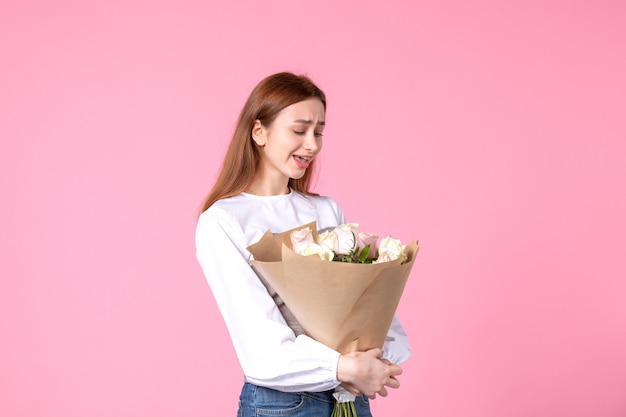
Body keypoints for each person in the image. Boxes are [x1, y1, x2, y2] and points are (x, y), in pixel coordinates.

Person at [195, 72, 411, 416]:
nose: (312, 144)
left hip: (348, 397)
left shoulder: (326, 210)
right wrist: (345, 369)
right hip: (282, 404)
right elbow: (260, 345)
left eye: (319, 132)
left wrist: (378, 359)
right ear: (259, 131)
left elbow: (367, 306)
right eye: (299, 130)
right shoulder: (223, 221)